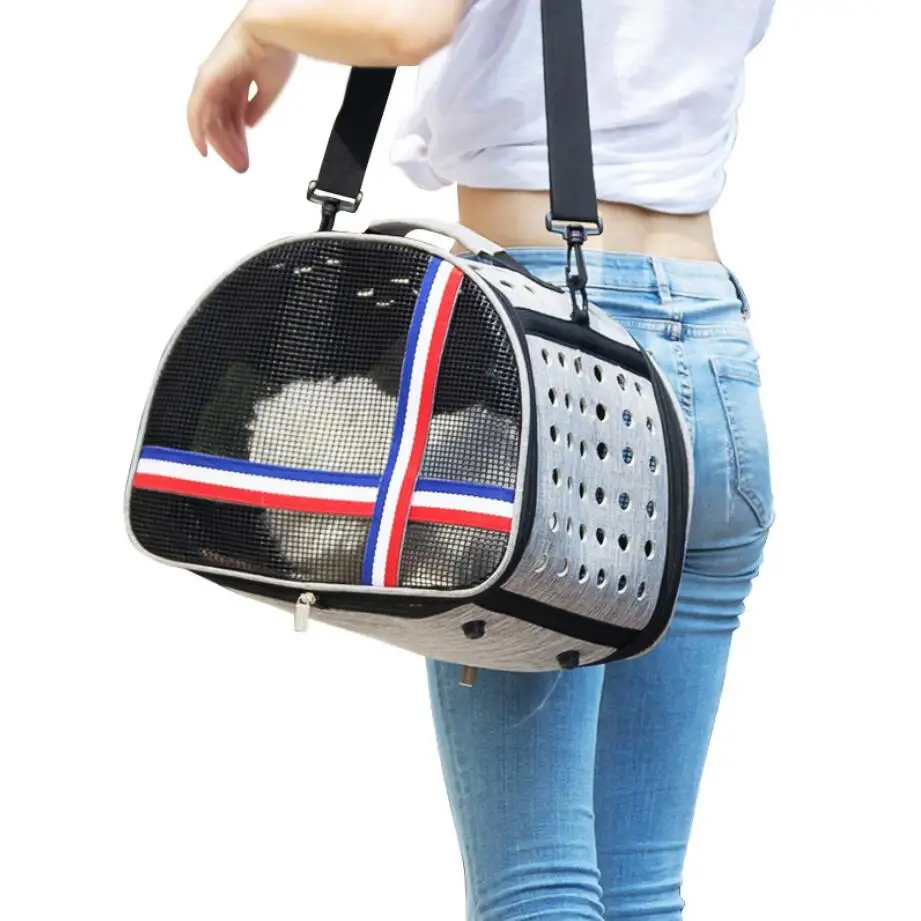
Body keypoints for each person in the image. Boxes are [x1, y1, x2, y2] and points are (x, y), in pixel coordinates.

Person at [187, 1, 776, 918]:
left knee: (536, 886)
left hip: (553, 362)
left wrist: (257, 27)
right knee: (640, 888)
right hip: (711, 357)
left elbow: (404, 24)